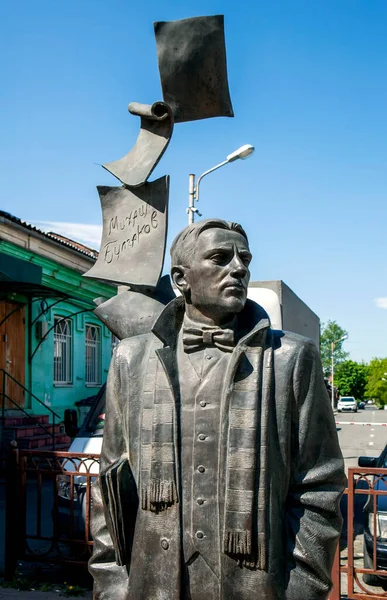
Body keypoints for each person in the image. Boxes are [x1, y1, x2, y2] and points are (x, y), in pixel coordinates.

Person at [89, 218, 345, 600]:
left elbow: (319, 487)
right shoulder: (132, 358)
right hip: (153, 584)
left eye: (244, 258)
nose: (239, 268)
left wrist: (300, 591)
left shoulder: (291, 358)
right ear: (181, 278)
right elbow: (111, 486)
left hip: (256, 586)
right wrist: (112, 585)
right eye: (221, 258)